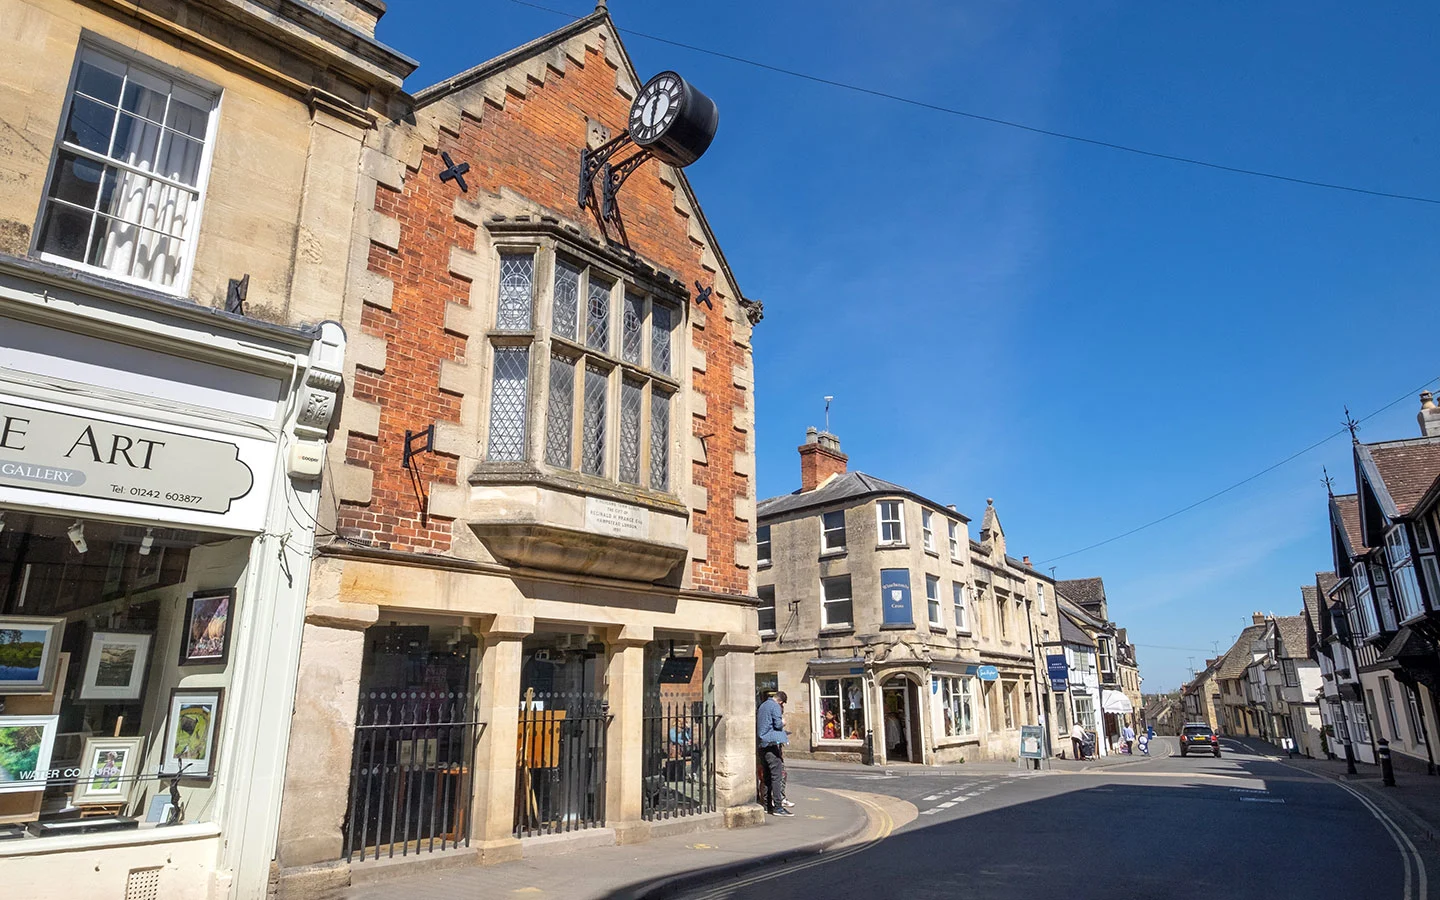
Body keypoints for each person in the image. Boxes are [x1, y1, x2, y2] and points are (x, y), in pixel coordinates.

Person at [757, 691, 793, 816]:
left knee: (766, 776)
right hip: (772, 743)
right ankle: (778, 807)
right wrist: (783, 722)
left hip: (762, 744)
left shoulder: (763, 705)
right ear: (781, 702)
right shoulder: (775, 706)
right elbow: (777, 725)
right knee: (777, 776)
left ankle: (767, 805)